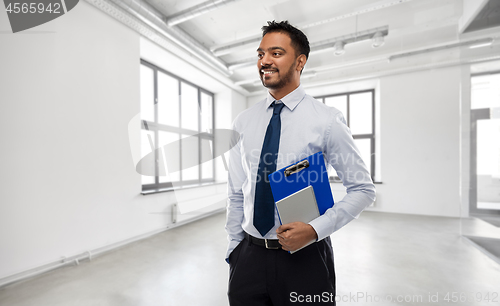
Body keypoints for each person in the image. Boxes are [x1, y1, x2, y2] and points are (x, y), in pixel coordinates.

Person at [225, 20, 376, 306]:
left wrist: (315, 230)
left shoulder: (327, 121)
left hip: (304, 258)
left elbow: (363, 189)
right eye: (260, 54)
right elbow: (236, 190)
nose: (264, 61)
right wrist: (234, 247)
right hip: (248, 257)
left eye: (276, 53)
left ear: (300, 61)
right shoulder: (243, 122)